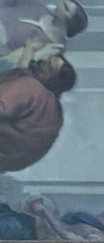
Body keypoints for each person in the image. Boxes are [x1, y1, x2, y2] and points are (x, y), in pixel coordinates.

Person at [0, 42, 72, 177]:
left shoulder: (33, 87)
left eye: (48, 66)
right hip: (8, 161)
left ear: (53, 80)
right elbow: (22, 73)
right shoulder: (54, 109)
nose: (42, 61)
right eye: (47, 60)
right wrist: (29, 49)